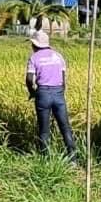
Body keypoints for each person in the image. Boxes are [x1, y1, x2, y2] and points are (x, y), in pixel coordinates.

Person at [25, 31, 76, 161]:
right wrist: (59, 92)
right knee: (65, 127)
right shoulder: (58, 56)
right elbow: (63, 79)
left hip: (42, 93)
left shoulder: (34, 57)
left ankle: (46, 159)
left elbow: (29, 79)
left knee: (44, 129)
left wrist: (32, 92)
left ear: (35, 44)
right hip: (58, 92)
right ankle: (73, 158)